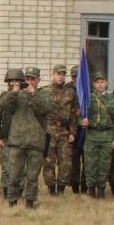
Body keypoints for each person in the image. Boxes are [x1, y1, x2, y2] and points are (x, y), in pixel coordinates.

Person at [0, 67, 55, 208]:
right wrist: (14, 93)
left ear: (38, 80)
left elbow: (47, 108)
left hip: (36, 142)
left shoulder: (44, 94)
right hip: (17, 141)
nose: (29, 81)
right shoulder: (17, 95)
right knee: (14, 175)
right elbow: (2, 105)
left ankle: (29, 203)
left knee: (32, 177)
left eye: (32, 79)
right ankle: (12, 202)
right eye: (27, 79)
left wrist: (34, 95)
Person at [40, 64, 80, 194]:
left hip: (64, 131)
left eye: (63, 74)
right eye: (58, 74)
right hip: (48, 131)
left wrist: (73, 132)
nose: (61, 77)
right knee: (49, 162)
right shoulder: (44, 91)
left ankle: (61, 189)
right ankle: (51, 189)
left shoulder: (70, 92)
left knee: (65, 162)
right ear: (53, 74)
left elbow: (74, 113)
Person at [80, 71, 114, 199]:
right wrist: (82, 121)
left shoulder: (113, 99)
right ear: (93, 84)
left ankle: (101, 190)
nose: (100, 84)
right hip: (91, 135)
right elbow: (77, 116)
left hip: (107, 136)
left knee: (104, 164)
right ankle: (91, 190)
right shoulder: (87, 98)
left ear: (106, 83)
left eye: (102, 82)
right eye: (97, 82)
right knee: (90, 165)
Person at [0, 68, 23, 197]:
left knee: (21, 168)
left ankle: (19, 192)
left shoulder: (25, 97)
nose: (14, 83)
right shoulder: (2, 98)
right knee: (7, 167)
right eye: (12, 81)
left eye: (18, 81)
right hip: (6, 138)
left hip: (22, 139)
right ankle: (6, 192)